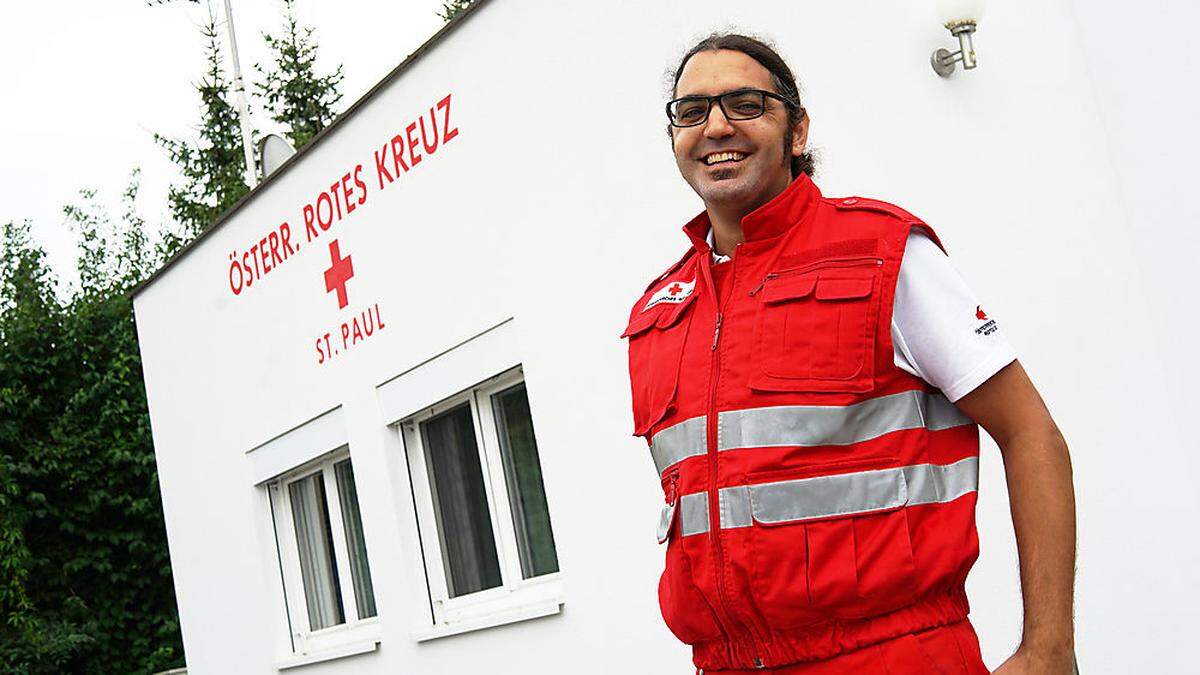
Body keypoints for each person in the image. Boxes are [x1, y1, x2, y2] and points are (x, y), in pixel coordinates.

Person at [620, 33, 1077, 674]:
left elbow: (1031, 433)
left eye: (745, 104)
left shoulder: (883, 252)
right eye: (691, 112)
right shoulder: (661, 313)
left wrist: (1049, 649)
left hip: (892, 654)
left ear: (797, 130)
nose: (716, 126)